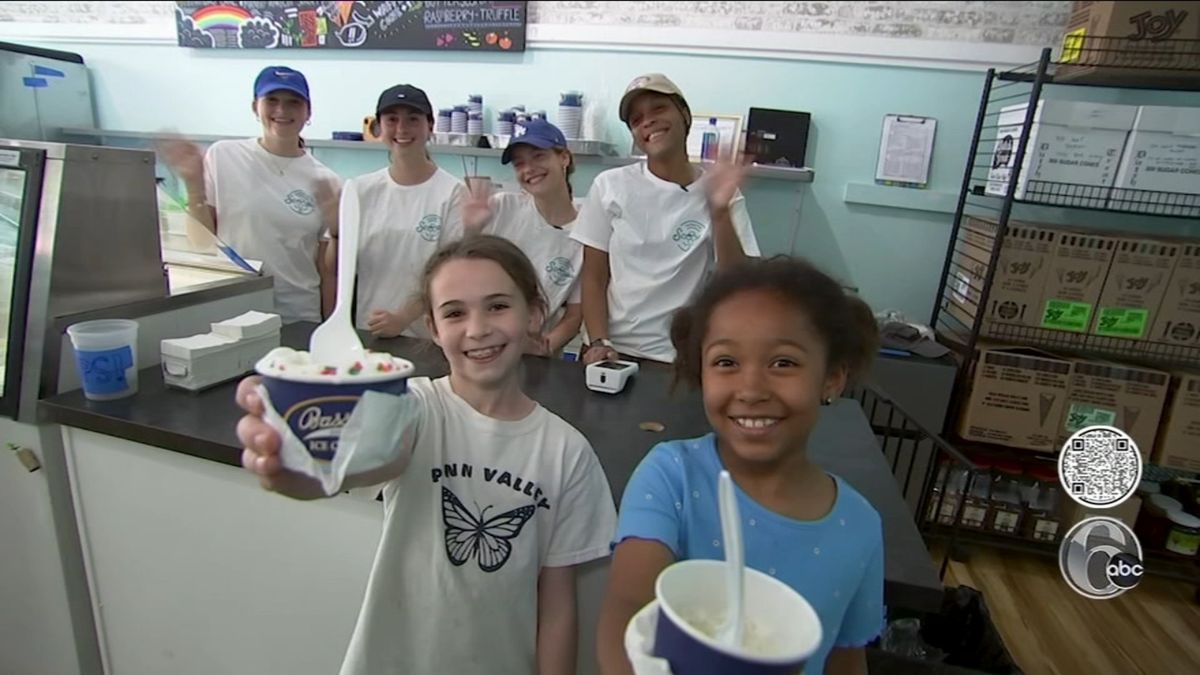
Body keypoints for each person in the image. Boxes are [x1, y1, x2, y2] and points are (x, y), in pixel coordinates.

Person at [236, 235, 617, 674]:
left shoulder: (566, 452)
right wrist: (289, 469)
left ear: (534, 313)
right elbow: (362, 464)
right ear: (434, 329)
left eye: (497, 306)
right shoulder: (411, 409)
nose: (477, 329)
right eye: (455, 313)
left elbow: (556, 606)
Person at [596, 255, 884, 675]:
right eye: (726, 362)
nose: (750, 389)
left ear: (831, 378)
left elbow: (846, 660)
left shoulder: (859, 526)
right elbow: (627, 617)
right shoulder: (672, 477)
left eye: (783, 363)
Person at [571, 73, 761, 365]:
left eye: (658, 109)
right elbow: (594, 276)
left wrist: (719, 211)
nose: (647, 121)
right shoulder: (610, 186)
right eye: (636, 119)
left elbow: (737, 284)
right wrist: (598, 341)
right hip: (613, 349)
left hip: (682, 355)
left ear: (685, 115)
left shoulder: (721, 190)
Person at [160, 66, 341, 324]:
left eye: (293, 103)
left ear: (308, 112)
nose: (282, 111)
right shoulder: (225, 156)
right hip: (233, 311)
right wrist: (193, 183)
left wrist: (330, 325)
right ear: (255, 106)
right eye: (272, 101)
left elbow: (326, 270)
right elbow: (201, 243)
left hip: (297, 315)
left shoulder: (326, 180)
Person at [338, 83, 467, 338]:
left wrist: (403, 318)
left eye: (412, 119)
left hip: (430, 338)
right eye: (392, 119)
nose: (401, 129)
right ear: (378, 128)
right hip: (369, 331)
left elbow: (448, 273)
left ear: (430, 126)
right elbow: (342, 269)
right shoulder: (359, 190)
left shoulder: (453, 193)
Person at [463, 119, 583, 356]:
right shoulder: (502, 207)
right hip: (481, 343)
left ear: (564, 158)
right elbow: (464, 272)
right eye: (519, 164)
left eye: (538, 156)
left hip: (535, 357)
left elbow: (575, 314)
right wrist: (471, 230)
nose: (528, 169)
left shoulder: (585, 233)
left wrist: (544, 347)